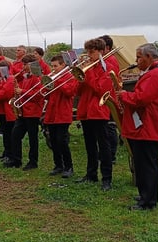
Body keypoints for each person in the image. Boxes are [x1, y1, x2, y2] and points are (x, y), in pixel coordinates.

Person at [118, 43, 158, 210]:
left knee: (146, 164)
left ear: (149, 57)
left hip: (147, 125)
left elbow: (141, 99)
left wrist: (125, 95)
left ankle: (148, 201)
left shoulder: (155, 74)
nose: (136, 60)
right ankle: (146, 194)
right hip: (146, 124)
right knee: (143, 162)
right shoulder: (154, 73)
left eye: (139, 57)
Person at [75, 38, 114, 190]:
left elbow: (100, 90)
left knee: (104, 147)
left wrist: (88, 73)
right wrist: (79, 78)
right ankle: (91, 174)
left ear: (101, 51)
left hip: (99, 111)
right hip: (86, 111)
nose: (88, 55)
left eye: (92, 52)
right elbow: (78, 92)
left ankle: (107, 178)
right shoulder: (88, 68)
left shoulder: (107, 68)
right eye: (87, 52)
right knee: (90, 145)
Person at [43, 54, 77, 178]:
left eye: (56, 66)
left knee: (61, 141)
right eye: (52, 66)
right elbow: (47, 96)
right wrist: (47, 87)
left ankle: (69, 167)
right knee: (53, 141)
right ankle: (58, 165)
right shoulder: (53, 76)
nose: (53, 69)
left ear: (63, 65)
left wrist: (56, 81)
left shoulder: (70, 77)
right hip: (51, 112)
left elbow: (69, 92)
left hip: (62, 113)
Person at [7, 55, 44, 170]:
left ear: (32, 64)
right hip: (23, 111)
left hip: (33, 111)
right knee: (15, 135)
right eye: (23, 64)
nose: (23, 67)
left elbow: (38, 94)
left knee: (33, 138)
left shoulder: (37, 77)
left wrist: (21, 91)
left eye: (25, 64)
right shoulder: (26, 77)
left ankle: (33, 162)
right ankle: (16, 159)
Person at [100, 35, 121, 164]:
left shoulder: (110, 60)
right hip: (107, 96)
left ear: (106, 48)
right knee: (107, 128)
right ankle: (105, 153)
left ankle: (111, 154)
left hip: (110, 97)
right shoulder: (106, 59)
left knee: (110, 127)